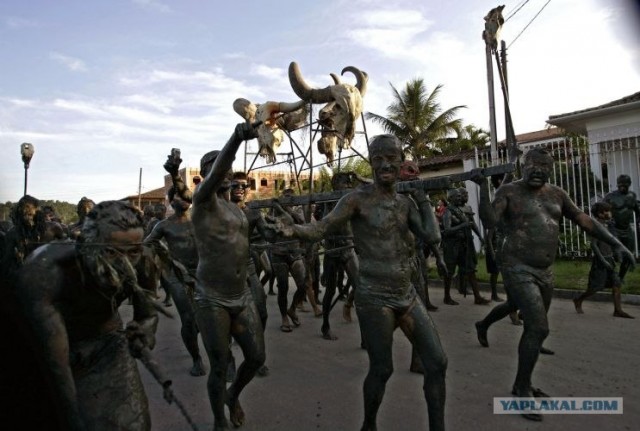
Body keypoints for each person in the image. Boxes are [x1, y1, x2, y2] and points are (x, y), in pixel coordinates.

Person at [269, 134, 447, 431]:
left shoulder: (405, 204)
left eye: (392, 158)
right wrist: (294, 230)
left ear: (401, 162)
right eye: (378, 159)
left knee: (438, 363)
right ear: (371, 163)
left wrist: (422, 198)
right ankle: (369, 424)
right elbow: (322, 228)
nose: (385, 164)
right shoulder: (356, 200)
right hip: (375, 296)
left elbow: (432, 236)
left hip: (407, 293)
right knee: (382, 369)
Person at [471, 148, 635, 421]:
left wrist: (616, 243)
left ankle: (485, 327)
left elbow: (585, 220)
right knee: (538, 326)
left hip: (544, 270)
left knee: (522, 312)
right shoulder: (509, 192)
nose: (537, 170)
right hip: (516, 266)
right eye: (532, 165)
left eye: (544, 166)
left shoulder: (557, 194)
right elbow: (490, 220)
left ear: (551, 168)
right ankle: (523, 388)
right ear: (522, 167)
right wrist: (484, 187)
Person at [15, 200, 159, 430]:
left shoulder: (144, 261)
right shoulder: (44, 274)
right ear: (85, 246)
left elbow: (148, 315)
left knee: (135, 424)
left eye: (132, 253)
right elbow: (57, 368)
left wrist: (144, 332)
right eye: (111, 253)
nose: (124, 264)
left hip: (107, 343)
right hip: (45, 354)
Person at [188, 123, 266, 430]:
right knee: (219, 366)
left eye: (225, 165)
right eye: (216, 166)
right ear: (208, 173)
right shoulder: (202, 202)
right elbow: (217, 170)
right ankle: (219, 419)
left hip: (240, 293)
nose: (223, 171)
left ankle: (232, 396)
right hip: (212, 297)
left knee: (257, 357)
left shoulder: (236, 210)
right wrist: (235, 138)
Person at [144, 184, 207, 376]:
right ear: (171, 201)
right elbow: (147, 245)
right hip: (177, 277)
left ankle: (224, 357)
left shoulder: (201, 220)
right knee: (188, 320)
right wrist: (165, 257)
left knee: (211, 317)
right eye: (179, 196)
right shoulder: (163, 225)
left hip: (203, 274)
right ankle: (196, 358)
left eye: (187, 195)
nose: (184, 199)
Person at [229, 171, 270, 376]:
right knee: (227, 317)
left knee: (261, 311)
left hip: (248, 268)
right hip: (224, 272)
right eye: (234, 185)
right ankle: (227, 358)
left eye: (243, 185)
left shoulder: (253, 213)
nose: (239, 189)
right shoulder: (218, 212)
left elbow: (268, 233)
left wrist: (292, 228)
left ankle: (256, 355)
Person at [573, 201, 634, 318]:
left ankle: (618, 310)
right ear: (600, 214)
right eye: (606, 211)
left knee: (616, 284)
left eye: (609, 211)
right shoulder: (595, 226)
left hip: (609, 259)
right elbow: (594, 245)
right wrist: (603, 260)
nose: (609, 213)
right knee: (595, 287)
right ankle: (578, 299)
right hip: (600, 262)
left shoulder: (608, 225)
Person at [441, 188, 490, 305]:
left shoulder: (462, 210)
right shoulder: (448, 212)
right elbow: (447, 230)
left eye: (460, 196)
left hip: (464, 245)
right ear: (451, 198)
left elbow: (471, 224)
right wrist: (463, 225)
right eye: (457, 196)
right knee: (450, 271)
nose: (460, 198)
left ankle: (477, 297)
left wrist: (480, 236)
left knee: (470, 269)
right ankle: (446, 297)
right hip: (452, 246)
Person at [604, 174, 640, 281]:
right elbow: (599, 210)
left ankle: (621, 277)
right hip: (614, 229)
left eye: (624, 184)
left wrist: (638, 220)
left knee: (629, 255)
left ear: (629, 184)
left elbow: (637, 211)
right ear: (617, 184)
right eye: (620, 184)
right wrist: (607, 220)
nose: (622, 186)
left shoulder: (632, 196)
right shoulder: (610, 197)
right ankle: (610, 275)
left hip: (627, 229)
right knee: (615, 255)